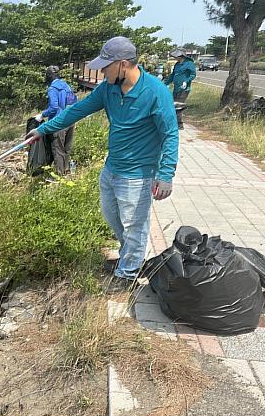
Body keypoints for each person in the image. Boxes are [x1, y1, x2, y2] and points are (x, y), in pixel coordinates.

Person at [27, 36, 179, 292]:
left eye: (105, 66)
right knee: (113, 217)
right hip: (112, 169)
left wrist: (166, 175)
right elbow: (78, 110)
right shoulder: (108, 89)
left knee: (134, 224)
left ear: (122, 65)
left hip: (138, 175)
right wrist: (43, 129)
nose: (100, 71)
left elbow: (170, 133)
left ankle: (128, 273)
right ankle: (128, 256)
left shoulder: (155, 92)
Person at [34, 66, 77, 175]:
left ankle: (59, 176)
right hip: (71, 120)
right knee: (67, 148)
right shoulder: (66, 86)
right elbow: (73, 101)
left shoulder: (52, 88)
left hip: (59, 123)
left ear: (49, 76)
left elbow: (53, 107)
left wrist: (42, 115)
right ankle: (67, 171)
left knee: (58, 150)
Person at [164, 49, 197, 129]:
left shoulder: (189, 64)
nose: (176, 58)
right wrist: (164, 84)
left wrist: (186, 81)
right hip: (176, 88)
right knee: (173, 105)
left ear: (181, 56)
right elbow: (173, 75)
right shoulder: (177, 64)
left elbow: (193, 74)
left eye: (177, 57)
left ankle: (179, 124)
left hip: (184, 89)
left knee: (179, 106)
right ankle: (174, 123)